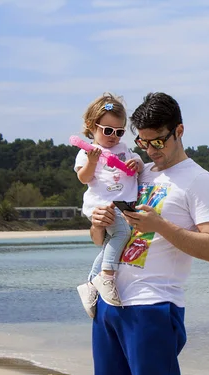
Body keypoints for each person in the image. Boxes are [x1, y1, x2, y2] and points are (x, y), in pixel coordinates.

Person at [88, 92, 209, 375]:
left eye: (158, 142)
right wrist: (98, 223)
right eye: (143, 142)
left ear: (179, 131)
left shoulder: (200, 181)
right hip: (109, 304)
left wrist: (160, 225)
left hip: (153, 307)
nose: (151, 150)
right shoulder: (137, 172)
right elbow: (100, 240)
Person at [74, 93, 143, 317]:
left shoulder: (123, 149)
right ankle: (106, 276)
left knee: (111, 244)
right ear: (91, 127)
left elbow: (137, 162)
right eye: (107, 130)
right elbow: (83, 178)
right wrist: (92, 161)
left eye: (119, 131)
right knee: (121, 235)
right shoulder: (87, 153)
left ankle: (89, 285)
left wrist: (137, 163)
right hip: (102, 205)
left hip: (123, 203)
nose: (113, 136)